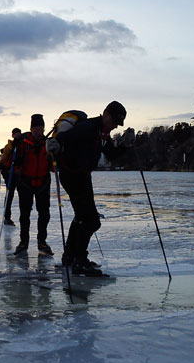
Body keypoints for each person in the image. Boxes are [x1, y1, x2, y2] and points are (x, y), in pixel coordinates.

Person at [51, 101, 133, 276]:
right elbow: (63, 139)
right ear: (105, 114)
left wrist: (125, 145)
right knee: (91, 220)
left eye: (117, 125)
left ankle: (70, 257)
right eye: (113, 122)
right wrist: (55, 144)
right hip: (72, 175)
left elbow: (110, 155)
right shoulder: (88, 127)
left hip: (82, 176)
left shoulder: (102, 134)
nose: (113, 127)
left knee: (82, 217)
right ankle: (79, 261)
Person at [13, 114, 53, 256]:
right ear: (31, 129)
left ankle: (42, 241)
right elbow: (14, 162)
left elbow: (53, 167)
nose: (39, 132)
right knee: (25, 215)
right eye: (36, 129)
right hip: (26, 183)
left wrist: (56, 156)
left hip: (43, 183)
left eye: (41, 129)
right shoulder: (23, 143)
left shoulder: (48, 143)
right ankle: (24, 242)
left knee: (44, 214)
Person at [0, 127, 22, 225]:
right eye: (15, 133)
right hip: (10, 174)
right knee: (10, 195)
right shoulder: (8, 147)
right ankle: (7, 217)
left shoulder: (23, 145)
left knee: (22, 194)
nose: (17, 135)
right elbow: (3, 161)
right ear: (12, 135)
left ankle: (23, 217)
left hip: (20, 174)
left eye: (18, 133)